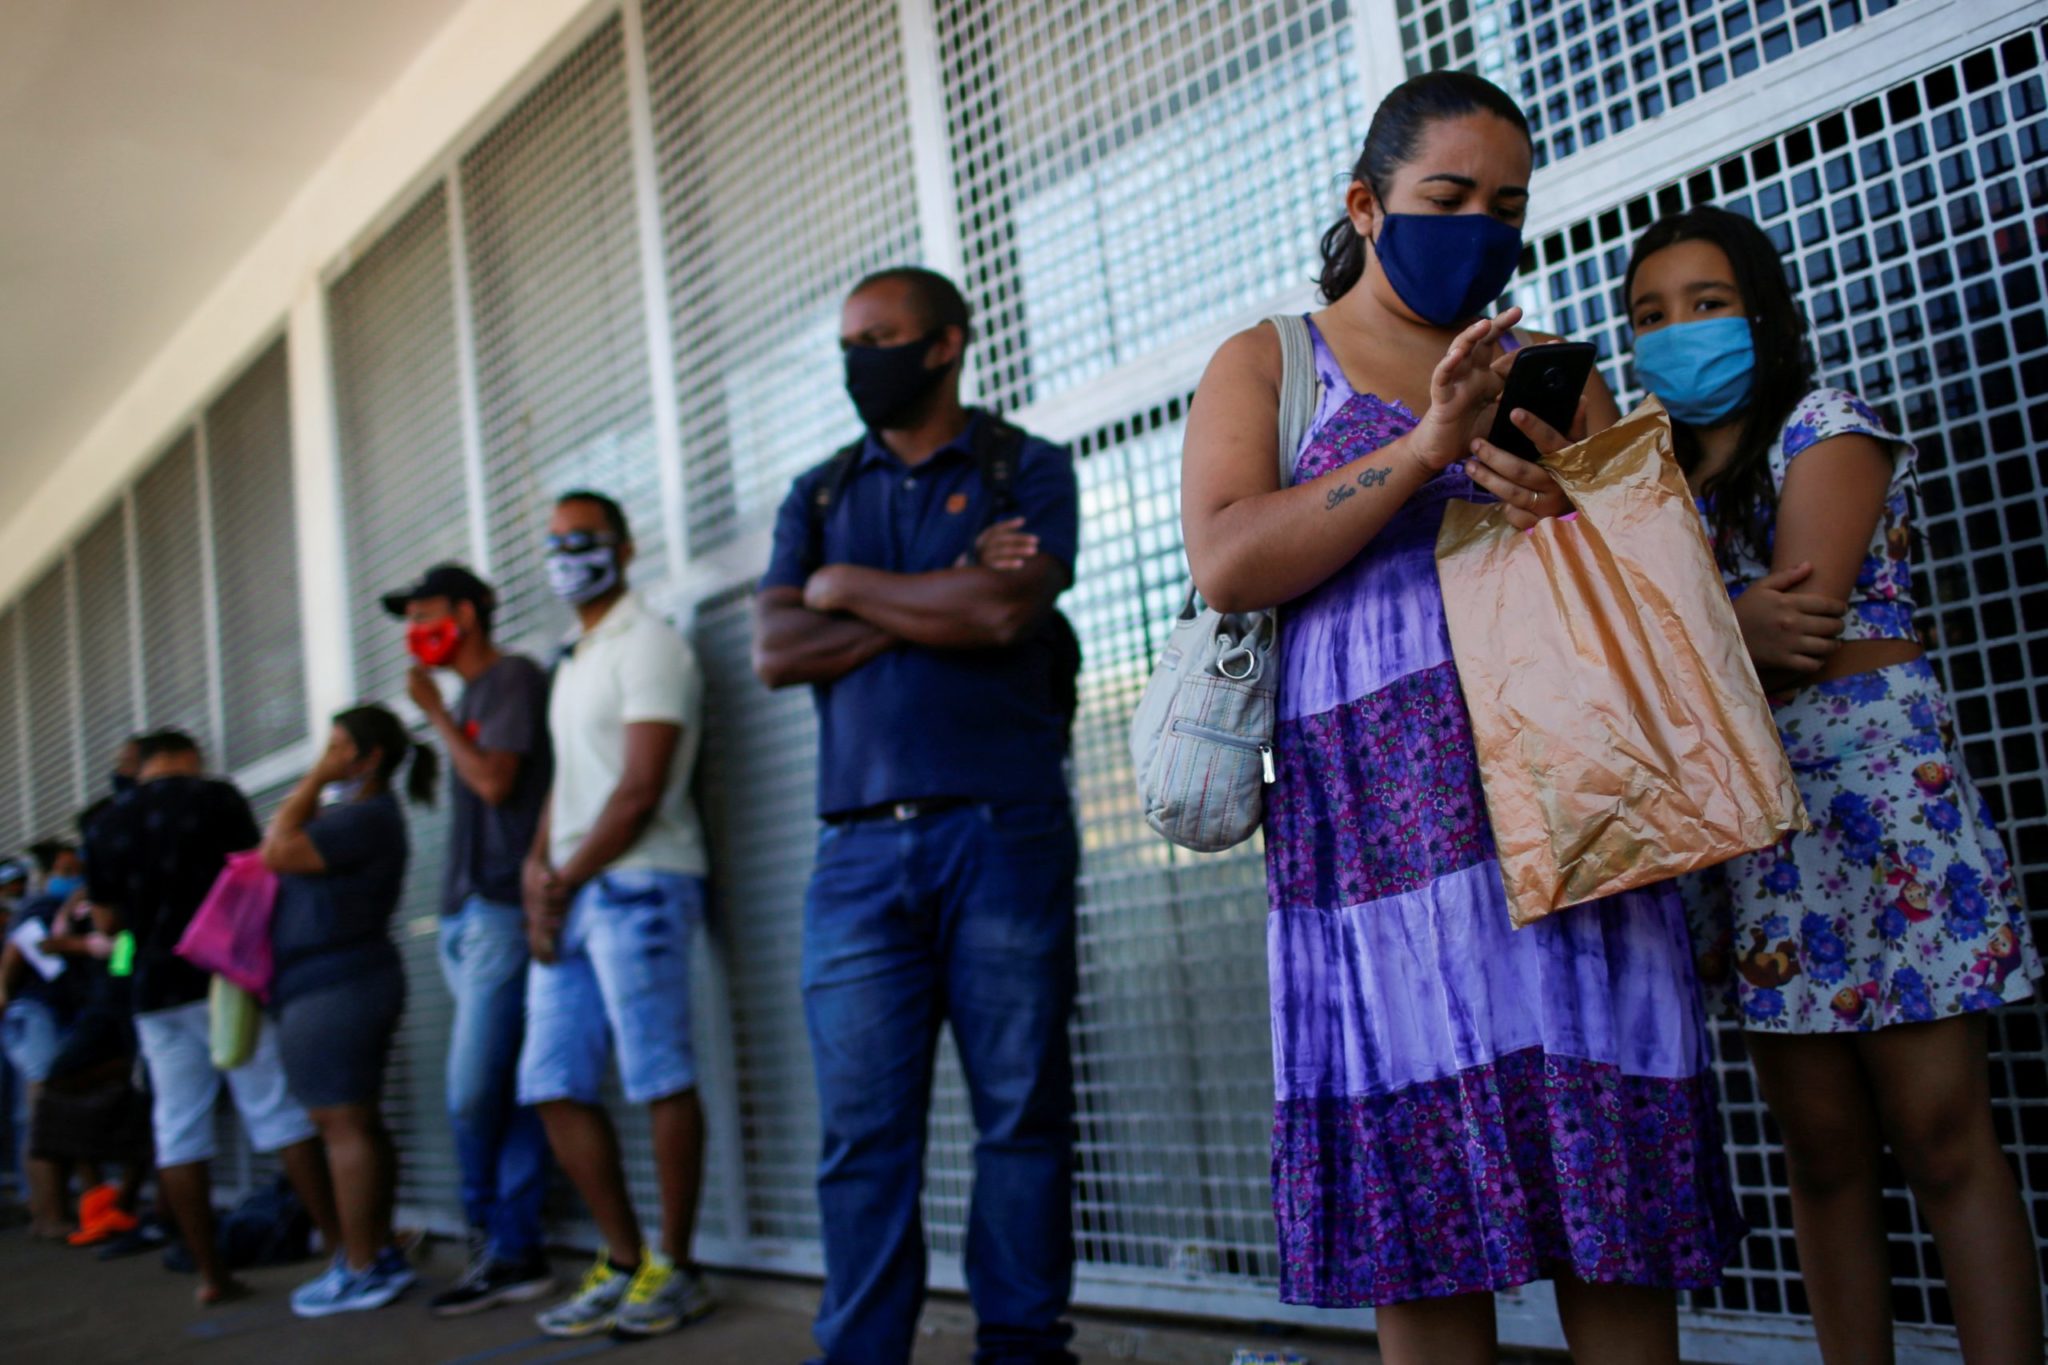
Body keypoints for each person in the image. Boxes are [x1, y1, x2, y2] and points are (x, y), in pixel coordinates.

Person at [1179, 73, 1745, 1365]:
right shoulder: (1272, 361)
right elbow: (1229, 561)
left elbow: (1655, 588)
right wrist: (1424, 447)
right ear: (1367, 205)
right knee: (1427, 1239)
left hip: (1578, 834)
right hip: (1380, 857)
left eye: (1506, 204)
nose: (1480, 225)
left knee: (1617, 1227)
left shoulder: (1553, 372)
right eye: (1447, 197)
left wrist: (1569, 508)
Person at [1627, 205, 2045, 1364]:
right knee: (1816, 1155)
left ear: (1758, 309)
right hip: (1759, 848)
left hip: (1881, 823)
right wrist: (1717, 633)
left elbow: (1796, 629)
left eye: (1704, 305)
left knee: (1943, 1139)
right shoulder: (1649, 484)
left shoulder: (1826, 423)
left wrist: (1687, 637)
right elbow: (1687, 649)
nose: (1675, 334)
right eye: (1647, 317)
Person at [753, 266, 1083, 1365]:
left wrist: (844, 590)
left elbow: (1002, 609)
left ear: (943, 345)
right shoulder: (813, 496)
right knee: (862, 1137)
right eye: (847, 342)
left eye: (879, 338)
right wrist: (940, 592)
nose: (859, 361)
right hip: (852, 853)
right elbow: (773, 650)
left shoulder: (1022, 468)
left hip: (1003, 833)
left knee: (1020, 1116)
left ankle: (1023, 1349)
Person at [519, 490, 712, 1340]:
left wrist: (564, 876)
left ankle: (676, 1265)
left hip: (639, 884)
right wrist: (537, 865)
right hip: (571, 886)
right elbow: (574, 776)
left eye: (583, 539)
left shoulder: (651, 645)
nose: (567, 553)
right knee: (552, 1081)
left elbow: (639, 789)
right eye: (555, 540)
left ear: (624, 548)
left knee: (657, 1072)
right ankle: (623, 1257)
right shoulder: (576, 655)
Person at [87, 728, 341, 1306]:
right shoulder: (214, 798)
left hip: (152, 992)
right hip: (224, 977)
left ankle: (211, 1275)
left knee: (178, 1130)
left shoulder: (103, 824)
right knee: (277, 1111)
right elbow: (257, 871)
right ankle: (341, 1248)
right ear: (189, 756)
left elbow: (106, 924)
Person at [379, 564, 557, 1316]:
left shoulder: (510, 679)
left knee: (473, 1089)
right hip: (465, 917)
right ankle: (516, 1251)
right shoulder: (468, 695)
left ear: (469, 612)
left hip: (498, 913)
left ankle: (487, 1235)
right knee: (509, 1091)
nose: (416, 627)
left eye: (426, 611)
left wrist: (437, 715)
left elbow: (494, 783)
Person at [261, 705, 435, 1316]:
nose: (328, 757)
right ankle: (374, 1251)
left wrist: (312, 777)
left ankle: (361, 1266)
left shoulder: (364, 817)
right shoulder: (359, 817)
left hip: (338, 985)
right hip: (335, 983)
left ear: (369, 758)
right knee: (355, 1120)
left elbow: (276, 848)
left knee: (342, 1124)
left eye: (339, 748)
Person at [0, 841, 88, 1238]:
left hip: (52, 1016)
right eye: (68, 870)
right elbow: (24, 953)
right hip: (36, 1015)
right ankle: (47, 1214)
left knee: (52, 1111)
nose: (75, 878)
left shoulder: (65, 909)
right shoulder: (39, 908)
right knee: (41, 1112)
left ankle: (52, 1209)